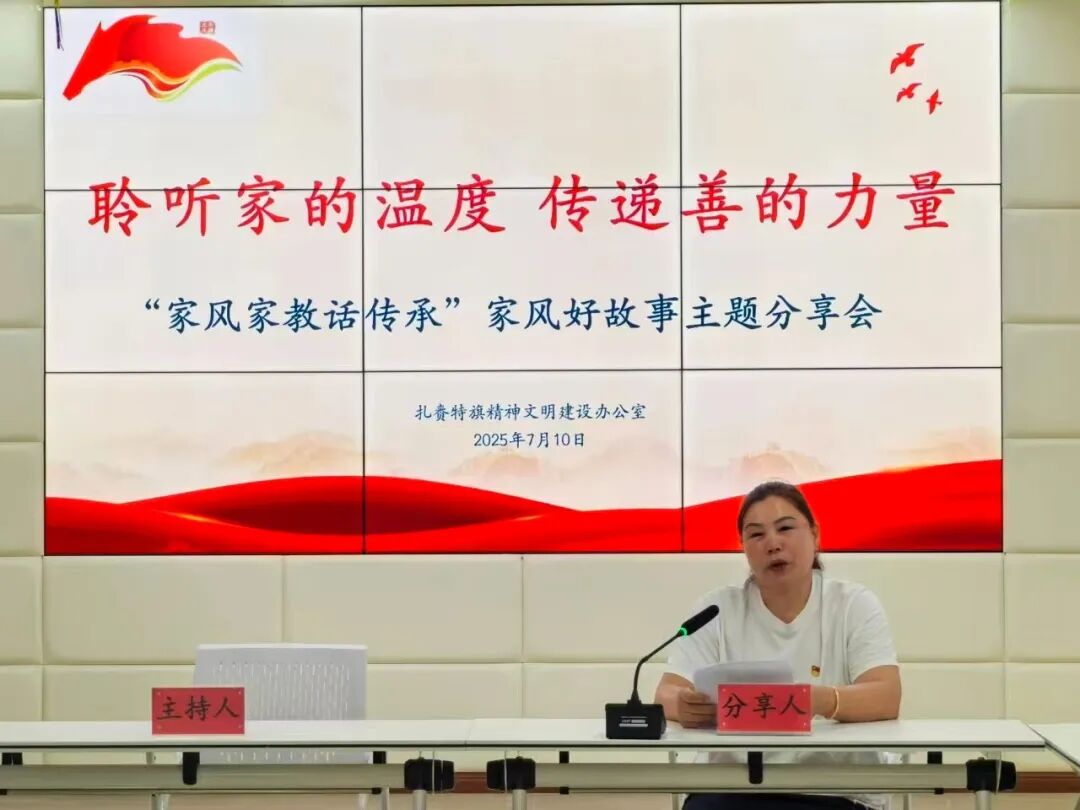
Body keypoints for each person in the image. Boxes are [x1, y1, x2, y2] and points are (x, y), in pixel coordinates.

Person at [654, 481, 902, 810]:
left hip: (834, 792)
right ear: (744, 548)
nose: (773, 544)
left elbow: (886, 695)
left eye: (785, 528)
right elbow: (665, 693)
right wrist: (683, 705)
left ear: (815, 535)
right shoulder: (717, 609)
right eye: (756, 535)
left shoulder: (852, 604)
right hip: (732, 790)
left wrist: (815, 700)